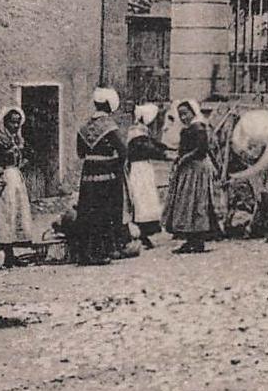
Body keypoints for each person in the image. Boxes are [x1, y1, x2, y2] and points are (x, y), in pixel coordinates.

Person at [75, 88, 128, 265]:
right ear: (110, 106)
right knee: (103, 213)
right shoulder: (110, 127)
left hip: (88, 173)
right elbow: (123, 151)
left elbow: (80, 153)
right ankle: (100, 252)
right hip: (106, 174)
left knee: (86, 212)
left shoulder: (83, 127)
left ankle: (84, 253)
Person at [163, 99, 220, 254]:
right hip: (189, 169)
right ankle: (192, 240)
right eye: (180, 115)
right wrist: (179, 159)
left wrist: (184, 159)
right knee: (189, 204)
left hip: (197, 169)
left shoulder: (199, 128)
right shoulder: (190, 128)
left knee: (196, 203)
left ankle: (197, 240)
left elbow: (201, 150)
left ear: (193, 112)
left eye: (185, 114)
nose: (183, 118)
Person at [0, 107, 35, 269]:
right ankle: (5, 253)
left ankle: (10, 255)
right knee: (6, 214)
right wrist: (0, 168)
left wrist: (22, 163)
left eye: (18, 123)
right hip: (5, 177)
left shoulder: (17, 139)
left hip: (16, 177)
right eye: (12, 122)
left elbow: (28, 154)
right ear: (5, 122)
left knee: (16, 214)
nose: (15, 126)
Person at [125, 103, 166, 250]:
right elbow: (149, 148)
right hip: (139, 169)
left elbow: (154, 144)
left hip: (143, 168)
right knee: (142, 199)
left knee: (145, 199)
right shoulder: (138, 134)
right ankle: (142, 233)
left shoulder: (140, 131)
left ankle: (144, 233)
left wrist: (165, 148)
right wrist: (164, 153)